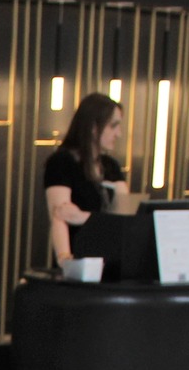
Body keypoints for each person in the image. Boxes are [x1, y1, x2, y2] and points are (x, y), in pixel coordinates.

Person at [44, 93, 129, 265]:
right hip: (80, 260)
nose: (118, 134)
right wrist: (64, 259)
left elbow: (126, 219)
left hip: (112, 259)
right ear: (93, 127)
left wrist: (84, 217)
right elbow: (59, 216)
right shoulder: (62, 162)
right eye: (113, 126)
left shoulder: (111, 166)